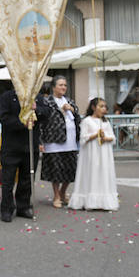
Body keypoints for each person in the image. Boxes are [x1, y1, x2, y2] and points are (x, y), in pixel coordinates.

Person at [0, 83, 47, 222]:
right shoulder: (7, 97)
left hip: (30, 145)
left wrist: (37, 110)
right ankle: (7, 208)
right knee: (8, 180)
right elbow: (4, 117)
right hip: (11, 146)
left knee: (27, 178)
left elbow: (46, 113)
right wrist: (21, 123)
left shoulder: (36, 97)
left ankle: (23, 206)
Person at [68, 98, 118, 211]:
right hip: (92, 153)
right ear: (93, 107)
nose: (103, 109)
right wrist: (95, 135)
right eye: (101, 106)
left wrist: (106, 138)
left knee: (103, 173)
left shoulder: (105, 122)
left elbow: (113, 137)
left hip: (104, 153)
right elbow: (82, 139)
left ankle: (104, 200)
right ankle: (89, 200)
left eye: (105, 106)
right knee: (92, 174)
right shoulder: (87, 121)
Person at [39, 76, 80, 208]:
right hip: (53, 139)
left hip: (71, 139)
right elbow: (41, 121)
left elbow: (78, 116)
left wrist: (72, 110)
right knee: (55, 170)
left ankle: (63, 192)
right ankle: (56, 195)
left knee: (70, 169)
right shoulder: (47, 101)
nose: (63, 87)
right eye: (61, 85)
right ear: (53, 87)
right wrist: (40, 141)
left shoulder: (69, 100)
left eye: (65, 85)